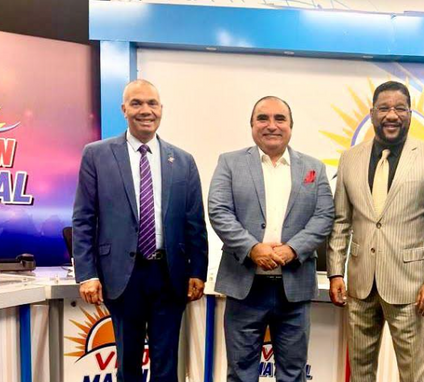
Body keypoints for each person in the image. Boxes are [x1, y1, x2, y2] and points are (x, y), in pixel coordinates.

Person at [72, 79, 208, 382]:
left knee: (166, 366)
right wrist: (87, 274)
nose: (146, 110)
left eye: (152, 103)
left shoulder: (183, 161)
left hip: (170, 275)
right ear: (124, 109)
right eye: (137, 103)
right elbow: (83, 219)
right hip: (121, 275)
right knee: (128, 364)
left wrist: (197, 271)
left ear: (161, 109)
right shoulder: (96, 155)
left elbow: (195, 222)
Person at [327, 81, 424, 382]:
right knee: (360, 373)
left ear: (410, 114)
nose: (392, 115)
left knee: (413, 375)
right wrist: (335, 272)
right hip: (360, 286)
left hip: (411, 290)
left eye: (400, 108)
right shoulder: (349, 159)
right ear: (372, 113)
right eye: (384, 108)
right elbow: (341, 221)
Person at [209, 96, 334, 382]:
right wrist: (252, 248)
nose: (271, 125)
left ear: (291, 125)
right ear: (252, 125)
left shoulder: (314, 168)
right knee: (240, 374)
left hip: (294, 289)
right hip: (245, 287)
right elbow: (219, 211)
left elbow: (324, 216)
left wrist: (293, 249)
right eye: (263, 118)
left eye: (280, 119)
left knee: (293, 374)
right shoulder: (229, 163)